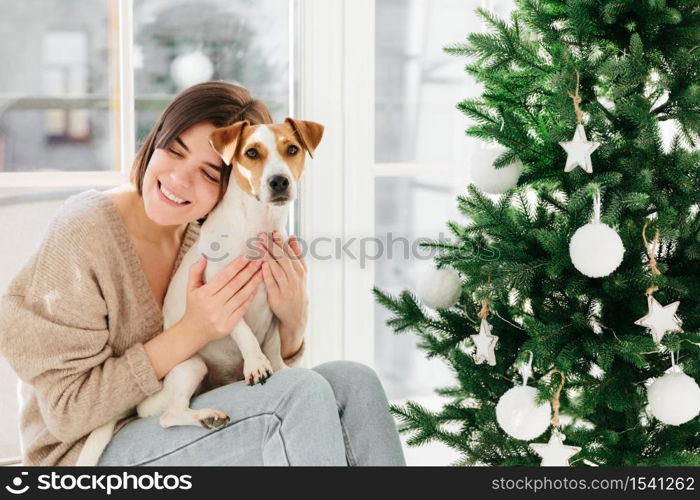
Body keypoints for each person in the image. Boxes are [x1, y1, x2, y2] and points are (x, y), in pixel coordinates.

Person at [0, 81, 406, 466]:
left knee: (354, 383)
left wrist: (293, 323)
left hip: (197, 417)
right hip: (87, 453)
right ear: (155, 138)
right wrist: (192, 331)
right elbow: (67, 414)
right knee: (296, 396)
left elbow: (256, 375)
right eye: (174, 151)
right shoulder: (85, 231)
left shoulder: (211, 232)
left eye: (210, 173)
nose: (180, 179)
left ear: (236, 181)